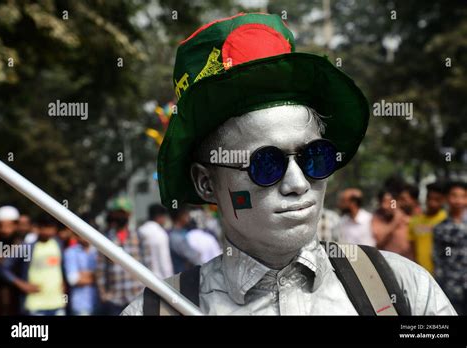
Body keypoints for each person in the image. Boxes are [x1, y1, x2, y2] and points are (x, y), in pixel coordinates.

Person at [122, 13, 455, 315]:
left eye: (314, 157)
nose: (298, 183)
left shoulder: (404, 291)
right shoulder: (155, 312)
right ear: (206, 182)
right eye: (266, 164)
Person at [96, 198, 153, 315]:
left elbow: (148, 266)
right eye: (118, 213)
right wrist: (103, 294)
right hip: (114, 300)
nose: (120, 216)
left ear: (129, 214)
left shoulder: (140, 236)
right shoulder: (105, 239)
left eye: (123, 213)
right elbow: (100, 269)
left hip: (136, 297)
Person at [3, 213, 67, 315]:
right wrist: (22, 285)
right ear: (38, 228)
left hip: (57, 303)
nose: (49, 231)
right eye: (45, 228)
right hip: (36, 304)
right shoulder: (28, 247)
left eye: (51, 228)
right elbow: (5, 268)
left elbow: (62, 267)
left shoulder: (58, 244)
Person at [433, 181, 467, 315]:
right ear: (447, 199)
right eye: (454, 195)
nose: (458, 200)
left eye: (463, 196)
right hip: (451, 286)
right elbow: (437, 258)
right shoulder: (440, 228)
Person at [408, 182, 447, 274]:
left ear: (443, 200)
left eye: (437, 200)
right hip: (420, 272)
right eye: (430, 198)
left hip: (441, 273)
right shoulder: (415, 221)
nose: (432, 203)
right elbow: (412, 246)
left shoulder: (446, 220)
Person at [0, 205, 22, 315]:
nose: (5, 230)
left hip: (17, 289)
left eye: (9, 225)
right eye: (2, 226)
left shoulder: (22, 241)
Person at [64, 233, 99, 315]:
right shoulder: (70, 252)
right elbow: (73, 280)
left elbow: (103, 275)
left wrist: (83, 274)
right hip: (80, 305)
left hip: (99, 303)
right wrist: (95, 275)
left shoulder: (97, 251)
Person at [138, 204, 174, 279]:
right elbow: (165, 260)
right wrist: (170, 278)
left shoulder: (140, 230)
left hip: (142, 277)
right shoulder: (161, 233)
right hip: (159, 279)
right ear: (159, 217)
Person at [372, 190, 410, 257]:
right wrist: (395, 220)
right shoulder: (377, 219)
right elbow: (380, 240)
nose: (384, 206)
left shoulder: (408, 219)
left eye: (389, 202)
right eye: (383, 202)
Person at [168, 205, 201, 273]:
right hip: (185, 275)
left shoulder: (179, 233)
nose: (189, 216)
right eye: (186, 214)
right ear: (180, 216)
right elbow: (194, 258)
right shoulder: (177, 237)